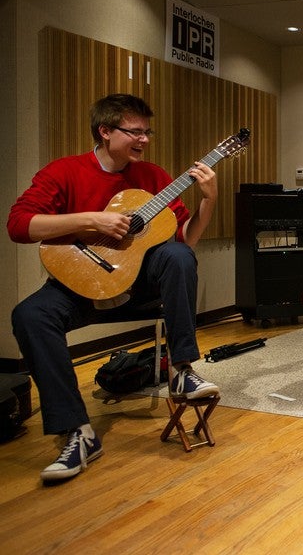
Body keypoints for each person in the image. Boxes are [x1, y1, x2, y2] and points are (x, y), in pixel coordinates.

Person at [8, 93, 221, 483]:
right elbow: (19, 225)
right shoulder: (64, 172)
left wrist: (209, 201)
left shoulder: (154, 178)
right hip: (82, 285)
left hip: (137, 288)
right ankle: (77, 432)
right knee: (29, 314)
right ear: (105, 131)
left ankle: (182, 371)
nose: (143, 139)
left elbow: (186, 243)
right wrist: (92, 221)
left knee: (177, 257)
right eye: (133, 132)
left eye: (147, 132)